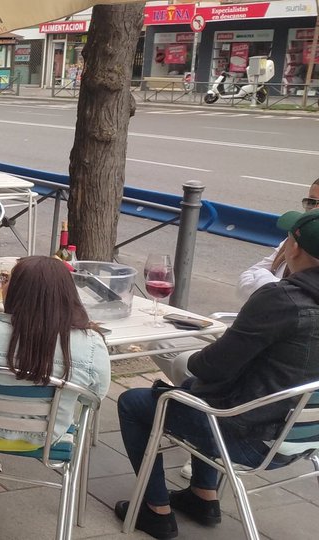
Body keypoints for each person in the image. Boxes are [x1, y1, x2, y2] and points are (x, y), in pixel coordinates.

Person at [113, 210, 319, 539]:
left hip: (253, 439)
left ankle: (155, 511)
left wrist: (191, 355)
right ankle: (203, 496)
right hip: (304, 439)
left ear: (293, 248)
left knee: (135, 403)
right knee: (201, 388)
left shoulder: (282, 299)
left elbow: (210, 365)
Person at [0, 256, 110, 495]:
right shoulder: (90, 346)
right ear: (68, 295)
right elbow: (93, 398)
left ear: (16, 292)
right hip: (46, 438)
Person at [238, 178, 319, 300]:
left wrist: (264, 278)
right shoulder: (293, 239)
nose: (314, 209)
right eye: (312, 202)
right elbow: (244, 281)